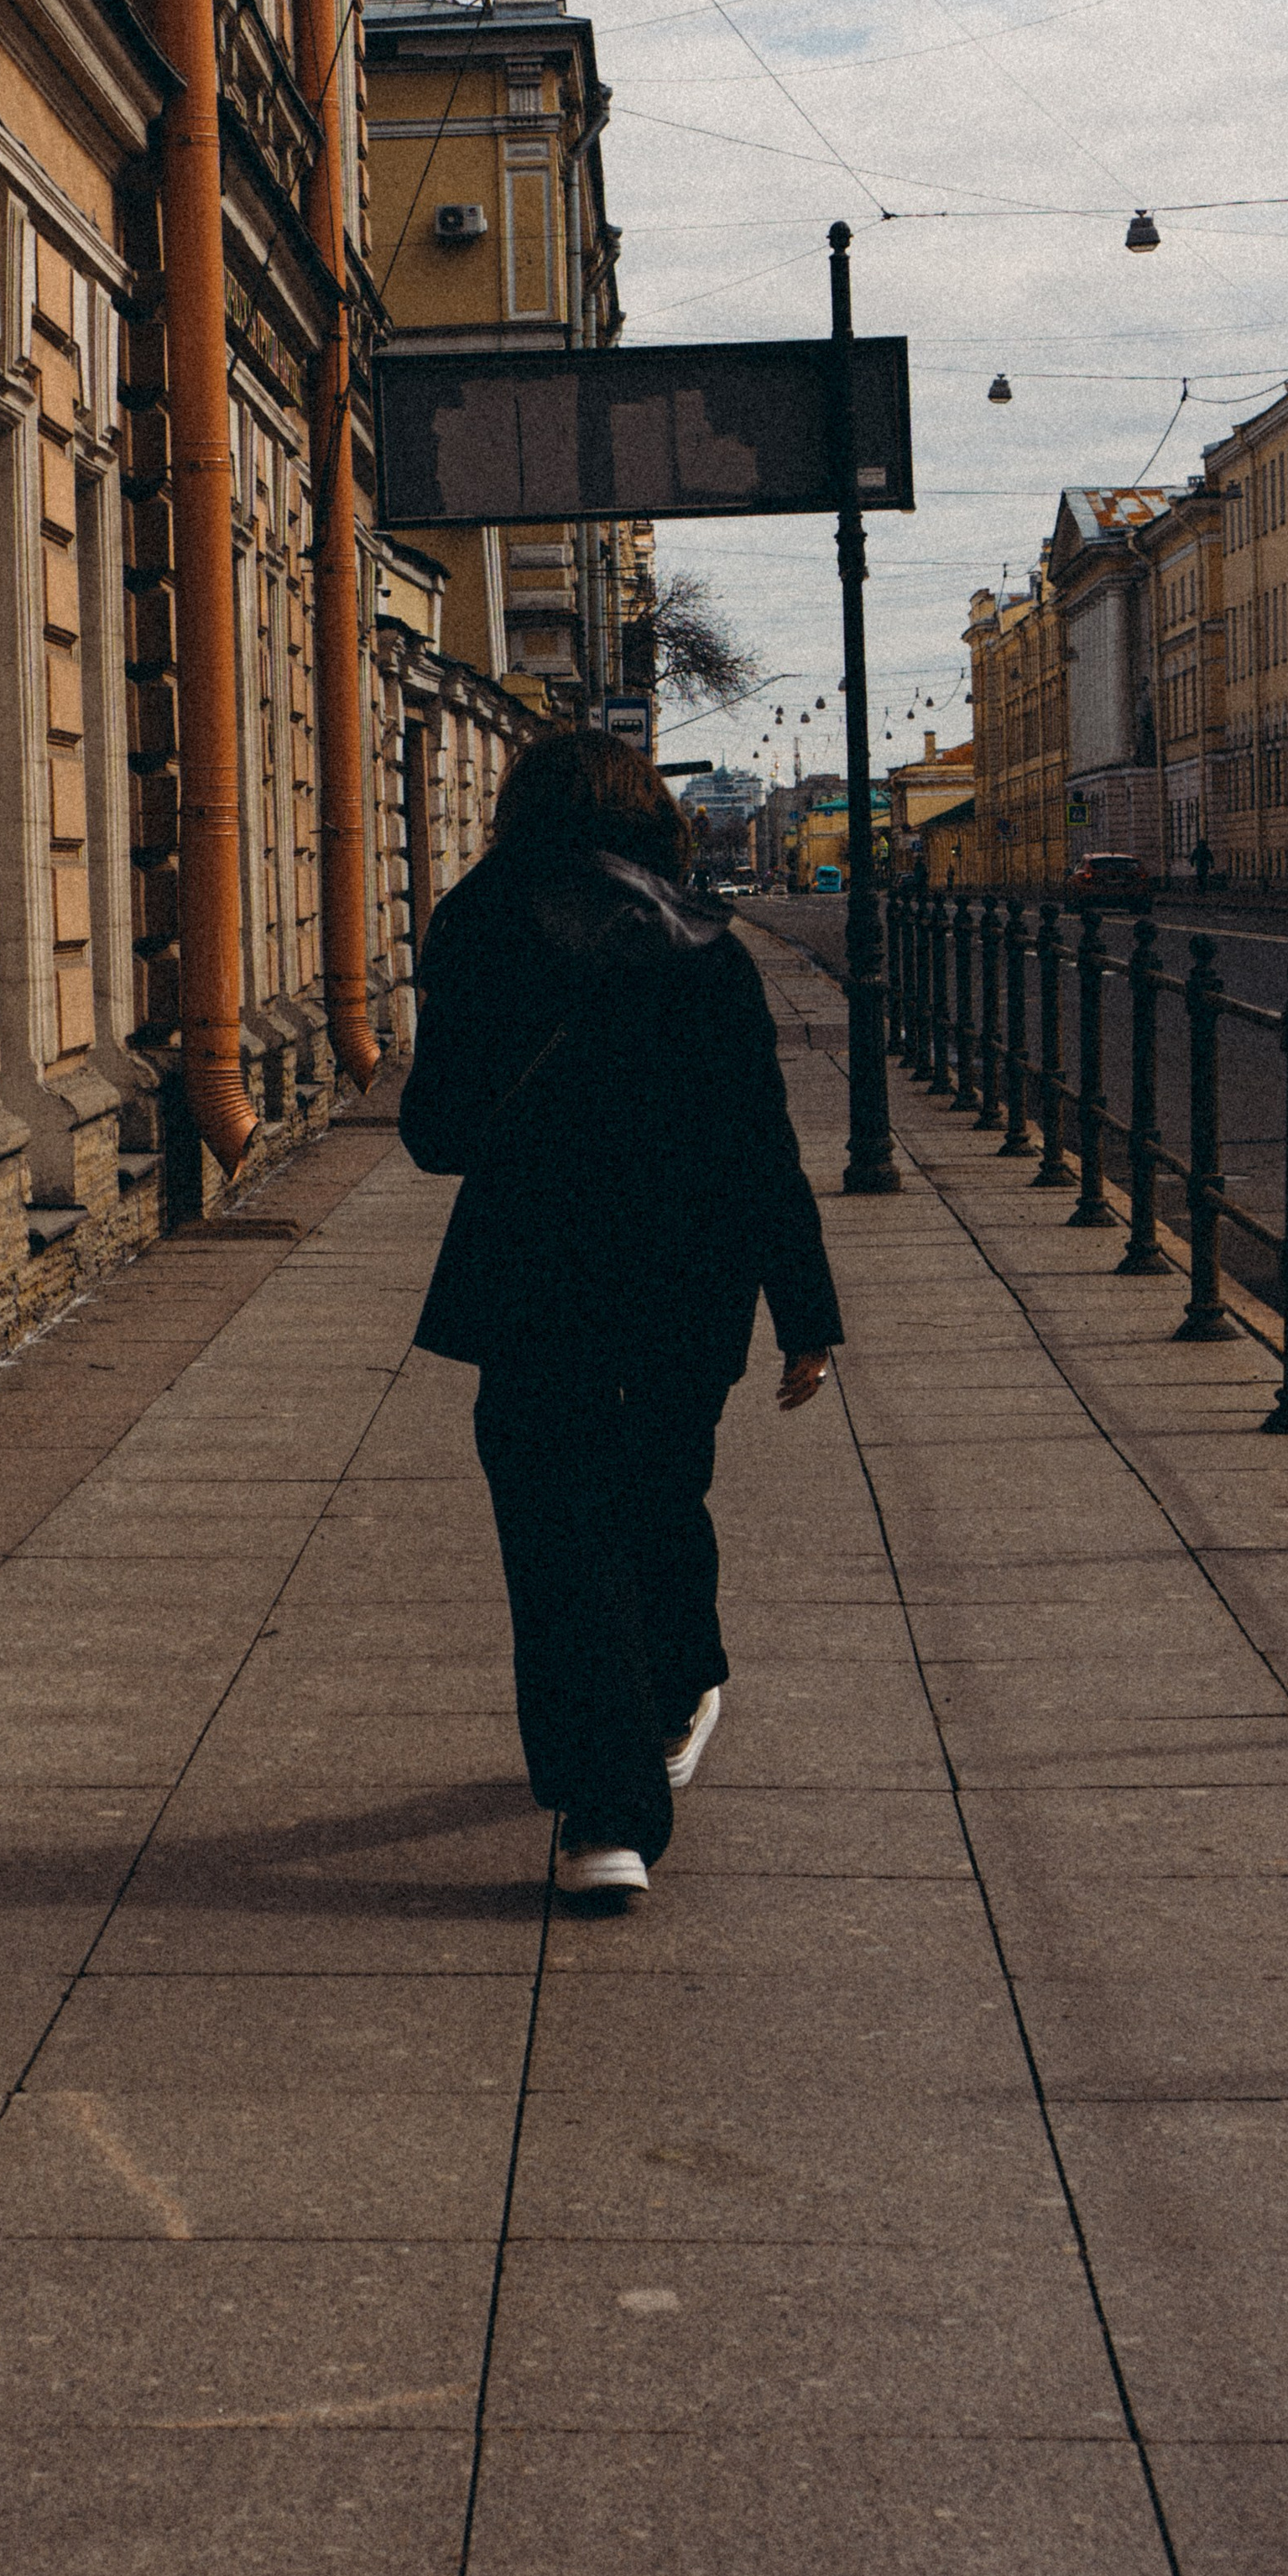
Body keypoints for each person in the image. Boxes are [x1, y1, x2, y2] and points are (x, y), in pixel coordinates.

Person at [398, 731, 844, 1904]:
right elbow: (762, 1146)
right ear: (650, 816)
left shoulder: (476, 928)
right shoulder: (708, 944)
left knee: (558, 1533)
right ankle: (679, 1687)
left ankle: (608, 1820)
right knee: (659, 1493)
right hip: (692, 1281)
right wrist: (808, 1311)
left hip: (537, 1277)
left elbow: (433, 1133)